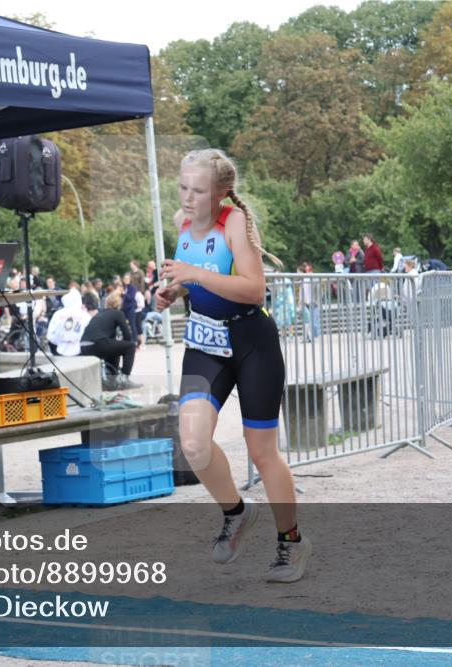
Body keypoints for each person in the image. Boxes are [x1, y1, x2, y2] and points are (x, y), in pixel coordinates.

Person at [154, 148, 309, 583]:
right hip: (204, 342)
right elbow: (194, 278)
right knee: (193, 444)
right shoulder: (183, 225)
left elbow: (253, 289)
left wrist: (193, 275)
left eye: (198, 190)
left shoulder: (233, 223)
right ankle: (236, 513)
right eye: (183, 187)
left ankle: (291, 542)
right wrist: (174, 292)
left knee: (261, 451)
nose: (187, 197)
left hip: (251, 342)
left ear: (220, 193)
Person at [80, 291, 141, 390]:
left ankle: (112, 382)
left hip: (84, 346)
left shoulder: (101, 314)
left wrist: (118, 346)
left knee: (113, 349)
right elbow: (127, 336)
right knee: (130, 346)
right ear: (119, 304)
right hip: (97, 344)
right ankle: (124, 379)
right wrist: (124, 345)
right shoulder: (118, 313)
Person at [46, 289, 91, 356]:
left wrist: (60, 342)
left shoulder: (57, 314)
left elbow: (50, 336)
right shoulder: (86, 316)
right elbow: (89, 336)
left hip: (59, 352)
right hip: (79, 353)